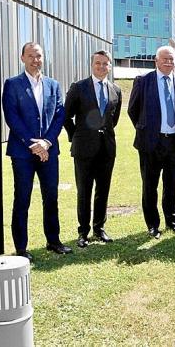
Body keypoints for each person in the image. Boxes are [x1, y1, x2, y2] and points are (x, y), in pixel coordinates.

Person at [2, 42, 72, 261]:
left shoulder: (53, 84)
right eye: (31, 55)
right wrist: (34, 143)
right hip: (23, 153)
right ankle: (21, 248)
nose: (35, 60)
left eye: (39, 56)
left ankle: (54, 241)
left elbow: (60, 115)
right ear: (22, 58)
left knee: (51, 197)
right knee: (22, 199)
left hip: (49, 152)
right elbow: (11, 116)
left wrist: (47, 143)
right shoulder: (12, 84)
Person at [128, 46, 175, 239]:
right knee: (150, 186)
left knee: (171, 185)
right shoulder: (143, 81)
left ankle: (172, 222)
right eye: (164, 59)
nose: (168, 62)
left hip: (174, 143)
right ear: (156, 61)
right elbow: (133, 110)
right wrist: (146, 129)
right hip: (150, 143)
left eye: (171, 59)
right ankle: (153, 225)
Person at [64, 50, 122, 248]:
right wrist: (76, 135)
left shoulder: (116, 90)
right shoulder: (79, 87)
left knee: (103, 190)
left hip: (107, 149)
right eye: (98, 63)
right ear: (92, 65)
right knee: (84, 191)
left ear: (110, 66)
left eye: (106, 64)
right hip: (84, 149)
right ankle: (83, 232)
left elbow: (113, 119)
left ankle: (99, 228)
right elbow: (66, 115)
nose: (102, 67)